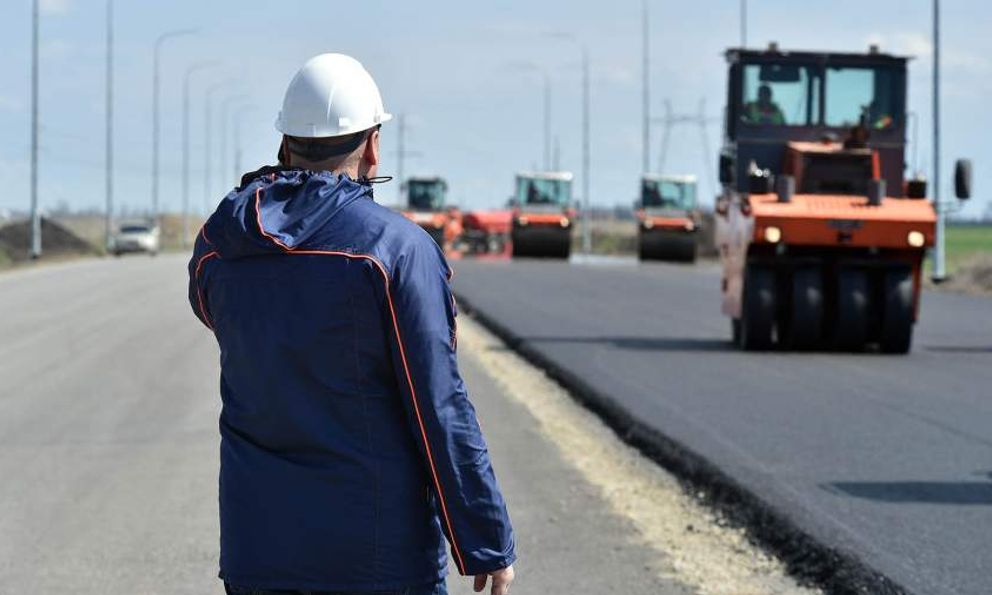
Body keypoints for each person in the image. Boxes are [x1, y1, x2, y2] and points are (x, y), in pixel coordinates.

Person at [188, 53, 516, 595]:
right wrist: (483, 541)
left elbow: (215, 315)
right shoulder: (396, 250)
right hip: (376, 559)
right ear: (372, 145)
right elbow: (438, 405)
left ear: (285, 143)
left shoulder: (220, 247)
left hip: (257, 553)